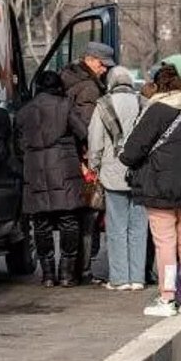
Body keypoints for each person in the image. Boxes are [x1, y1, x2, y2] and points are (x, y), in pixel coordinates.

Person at [119, 64, 181, 317]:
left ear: (158, 87)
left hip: (160, 188)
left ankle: (168, 297)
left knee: (165, 244)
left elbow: (131, 153)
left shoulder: (156, 111)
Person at [15, 70, 89, 287]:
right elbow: (83, 132)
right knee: (68, 220)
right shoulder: (65, 105)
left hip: (35, 169)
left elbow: (17, 145)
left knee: (41, 223)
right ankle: (66, 274)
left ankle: (47, 275)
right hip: (64, 168)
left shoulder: (24, 111)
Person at [88, 66, 148, 291]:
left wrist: (94, 165)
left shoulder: (103, 105)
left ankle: (120, 278)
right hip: (140, 172)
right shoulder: (144, 103)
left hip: (113, 173)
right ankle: (138, 278)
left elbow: (95, 140)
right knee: (139, 228)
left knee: (116, 228)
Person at [61, 40, 115, 284]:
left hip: (67, 155)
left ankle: (71, 268)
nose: (104, 70)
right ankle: (82, 270)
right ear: (91, 60)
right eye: (103, 65)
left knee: (74, 215)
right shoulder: (89, 89)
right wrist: (91, 157)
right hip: (83, 158)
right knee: (88, 215)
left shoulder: (69, 78)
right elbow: (88, 127)